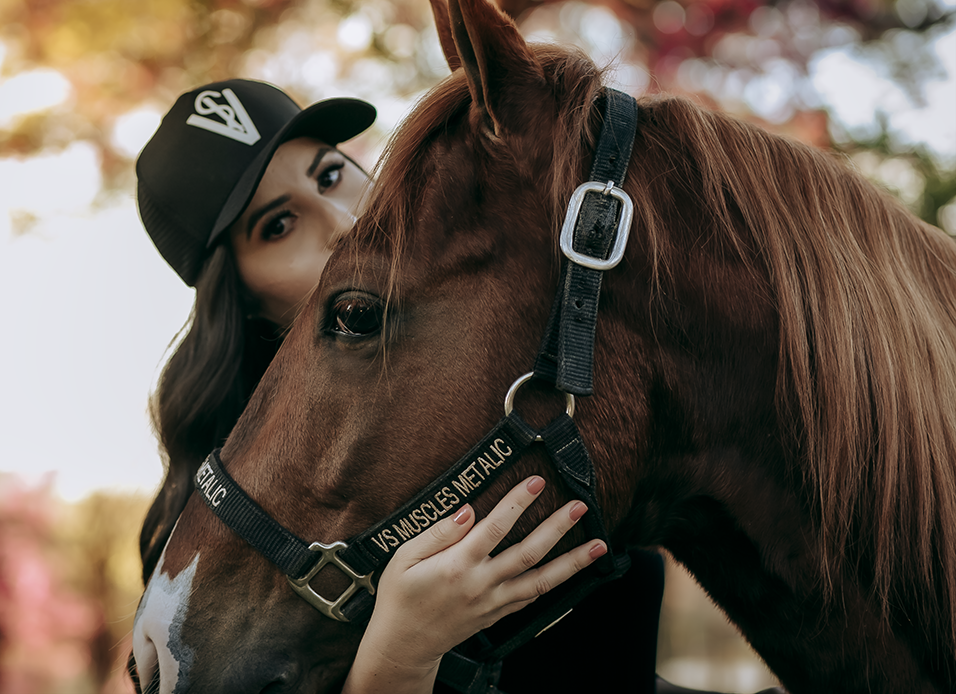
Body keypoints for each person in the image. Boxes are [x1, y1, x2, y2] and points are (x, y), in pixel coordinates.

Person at [135, 79, 672, 693]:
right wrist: (398, 660)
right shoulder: (222, 533)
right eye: (280, 224)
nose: (344, 223)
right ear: (238, 296)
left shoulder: (502, 375)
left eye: (331, 176)